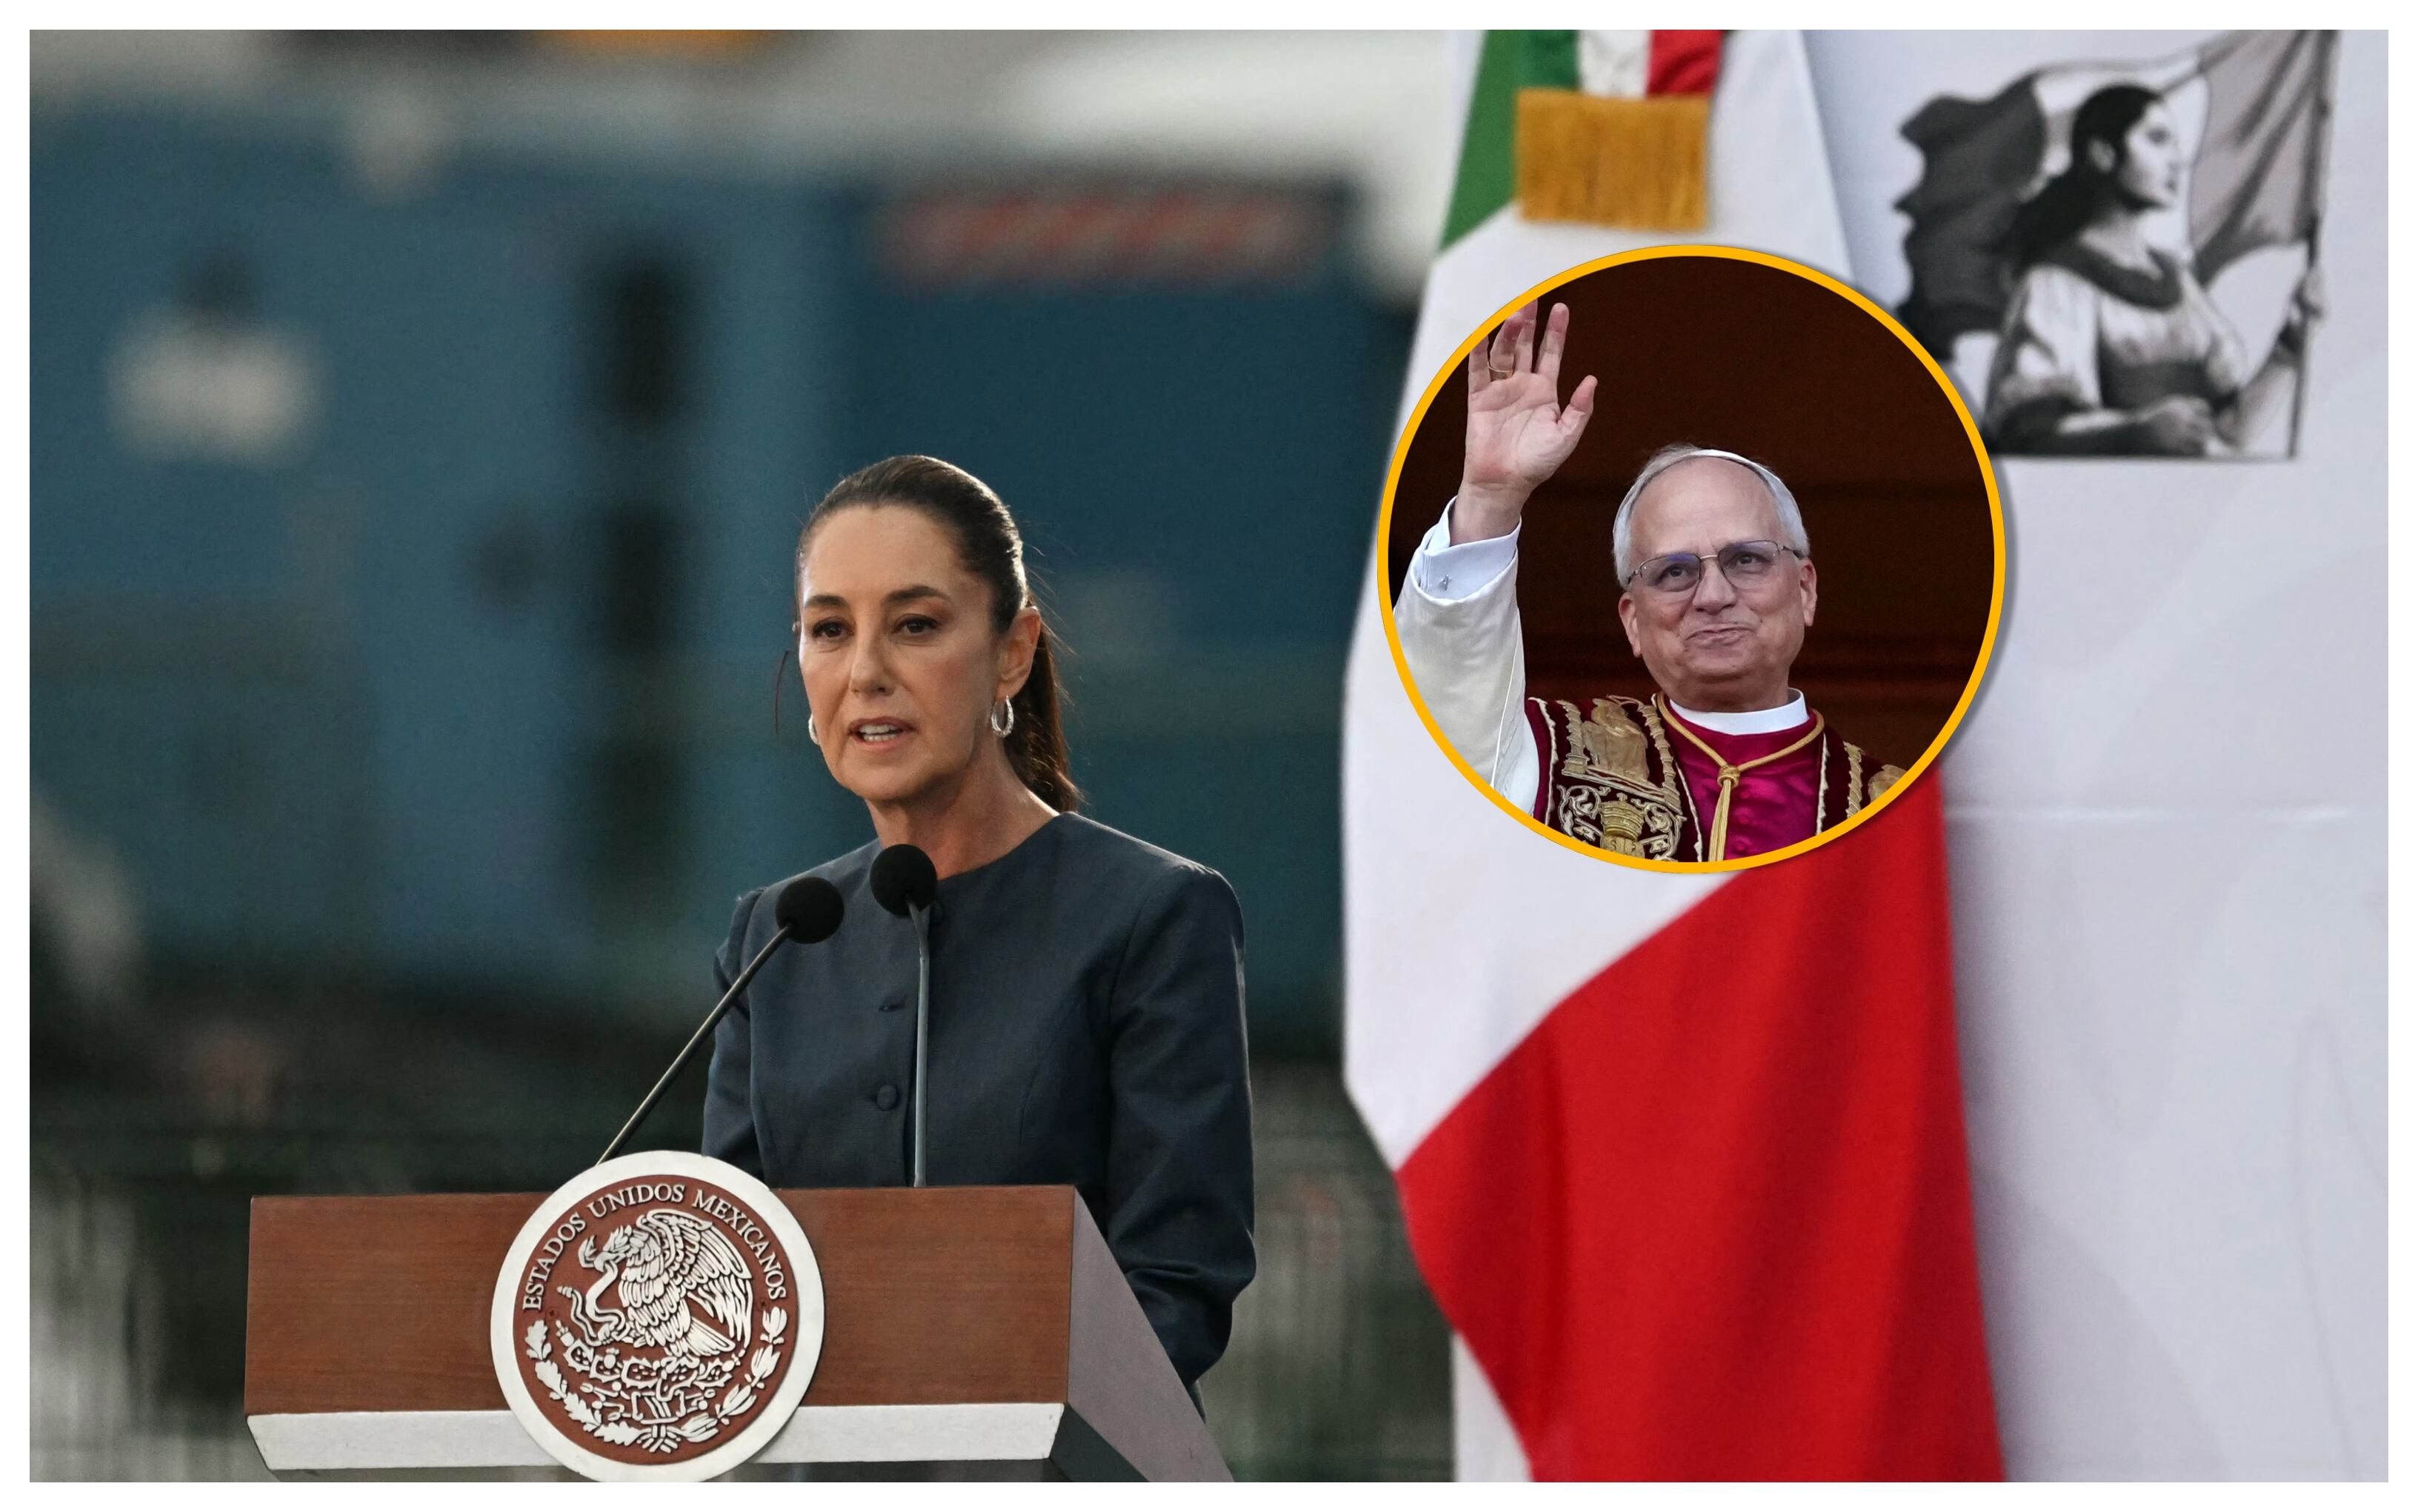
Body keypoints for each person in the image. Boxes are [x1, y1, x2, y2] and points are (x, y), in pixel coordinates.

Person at [702, 455, 1253, 1399]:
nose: (865, 671)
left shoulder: (1153, 915)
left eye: (915, 626)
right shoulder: (777, 936)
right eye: (828, 630)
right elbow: (734, 1272)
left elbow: (1176, 1289)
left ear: (1013, 648)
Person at [1393, 301, 1902, 864]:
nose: (1713, 596)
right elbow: (1441, 721)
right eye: (1674, 572)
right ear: (1632, 621)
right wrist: (1490, 500)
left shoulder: (1895, 805)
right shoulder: (1542, 756)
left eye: (1747, 560)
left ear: (1804, 589)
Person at [1982, 83, 2321, 456]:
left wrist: (2290, 344)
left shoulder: (2177, 281)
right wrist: (2135, 432)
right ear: (2103, 154)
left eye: (2174, 143)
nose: (2176, 160)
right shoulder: (2056, 284)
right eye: (2157, 139)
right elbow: (2029, 433)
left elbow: (2232, 431)